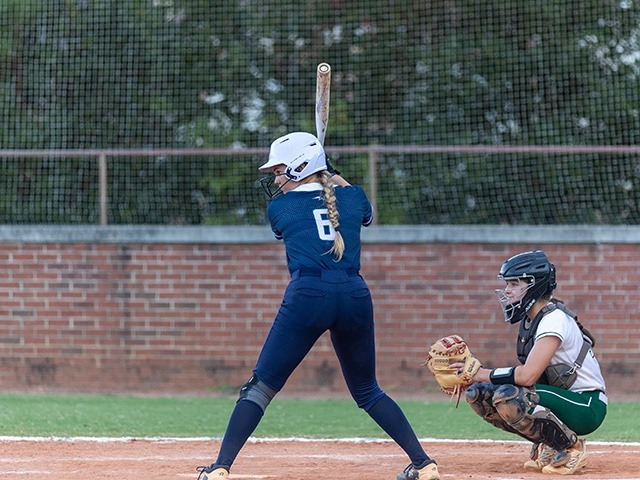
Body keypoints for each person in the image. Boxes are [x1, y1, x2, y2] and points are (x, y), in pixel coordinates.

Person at [195, 132, 440, 480]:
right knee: (368, 390)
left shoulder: (280, 208)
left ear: (301, 167)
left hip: (309, 294)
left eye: (281, 171)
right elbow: (358, 207)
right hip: (355, 294)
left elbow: (304, 217)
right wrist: (328, 171)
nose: (276, 180)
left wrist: (318, 171)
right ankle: (423, 463)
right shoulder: (353, 197)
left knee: (260, 387)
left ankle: (220, 467)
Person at [462, 250, 607, 475]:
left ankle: (572, 448)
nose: (507, 290)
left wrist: (481, 372)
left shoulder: (554, 319)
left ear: (533, 285)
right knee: (479, 394)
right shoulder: (532, 321)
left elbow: (527, 376)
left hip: (587, 405)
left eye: (513, 284)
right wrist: (475, 379)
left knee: (509, 396)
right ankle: (552, 443)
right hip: (562, 399)